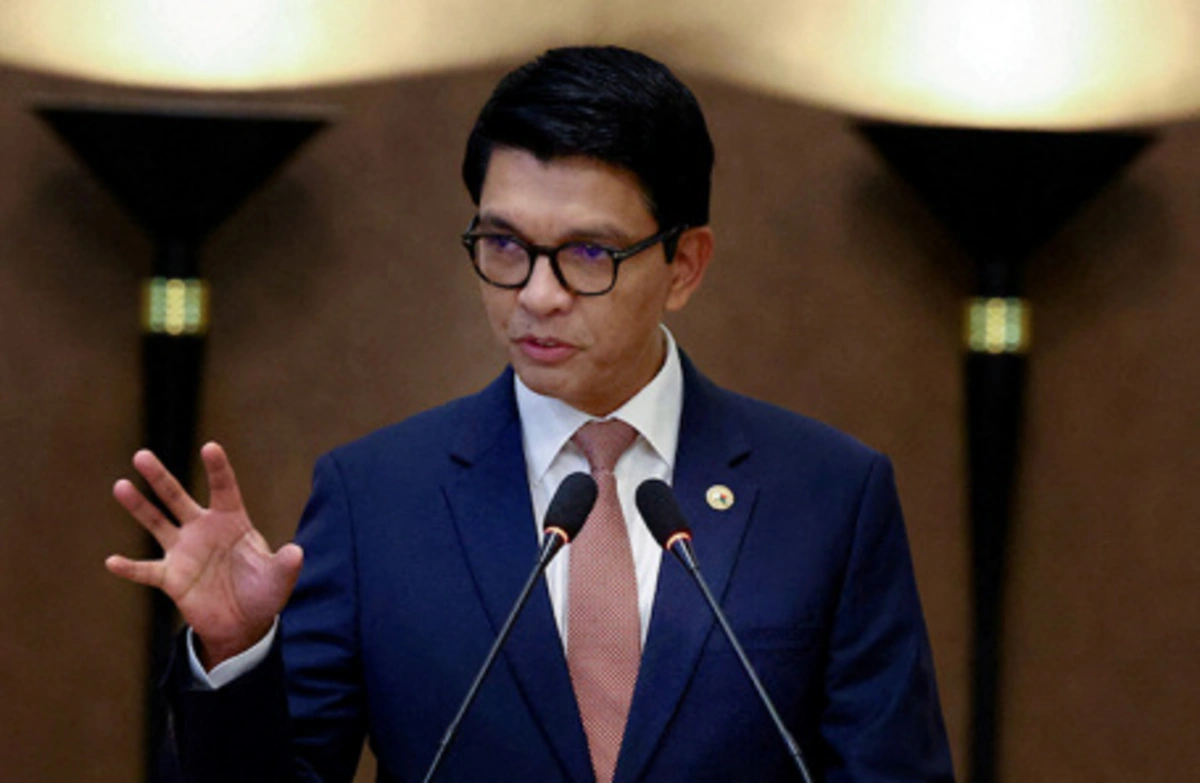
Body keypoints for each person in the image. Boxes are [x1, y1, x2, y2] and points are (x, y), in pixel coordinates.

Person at [106, 46, 954, 783]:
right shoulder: (375, 500)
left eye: (588, 252)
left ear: (684, 265)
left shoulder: (829, 497)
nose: (537, 295)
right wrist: (235, 656)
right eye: (505, 245)